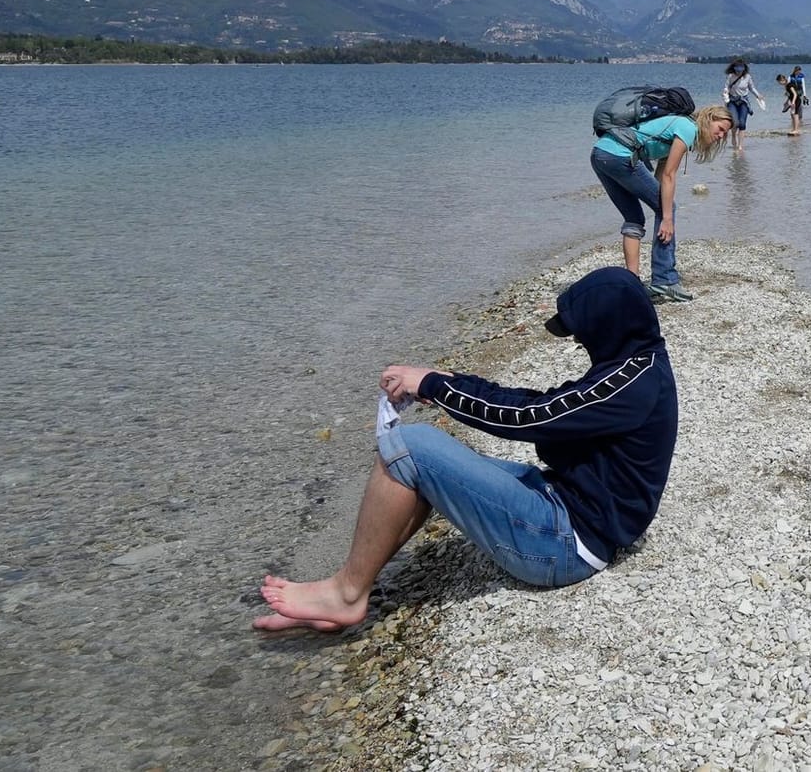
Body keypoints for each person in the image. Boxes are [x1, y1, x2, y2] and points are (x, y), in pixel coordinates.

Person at [252, 267, 678, 633]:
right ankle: (352, 586)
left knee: (411, 445)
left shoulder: (628, 384)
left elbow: (530, 418)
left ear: (607, 327)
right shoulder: (637, 365)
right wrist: (450, 379)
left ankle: (345, 593)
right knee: (424, 462)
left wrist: (438, 387)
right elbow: (542, 401)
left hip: (566, 544)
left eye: (582, 334)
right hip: (569, 509)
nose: (579, 344)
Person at [591, 102, 733, 302]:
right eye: (720, 130)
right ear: (709, 119)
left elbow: (659, 179)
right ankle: (664, 279)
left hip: (600, 154)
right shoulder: (688, 128)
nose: (721, 136)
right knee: (668, 208)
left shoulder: (679, 126)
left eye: (725, 134)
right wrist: (666, 217)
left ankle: (632, 284)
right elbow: (668, 176)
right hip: (619, 155)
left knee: (634, 218)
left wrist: (660, 206)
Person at [723, 60, 765, 153]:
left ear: (744, 68)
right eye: (737, 68)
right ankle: (733, 136)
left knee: (742, 124)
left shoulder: (747, 77)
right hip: (732, 101)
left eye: (741, 68)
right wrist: (725, 97)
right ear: (734, 68)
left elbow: (752, 88)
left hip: (743, 101)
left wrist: (758, 95)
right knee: (735, 122)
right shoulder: (730, 76)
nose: (739, 71)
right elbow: (726, 88)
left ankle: (740, 146)